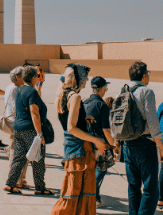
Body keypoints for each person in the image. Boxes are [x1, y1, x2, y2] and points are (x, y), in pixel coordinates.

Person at [50, 63, 108, 215]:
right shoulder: (75, 96)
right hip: (81, 151)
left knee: (74, 190)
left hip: (71, 149)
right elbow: (71, 128)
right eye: (85, 77)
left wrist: (84, 117)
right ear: (78, 79)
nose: (87, 80)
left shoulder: (61, 95)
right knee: (77, 192)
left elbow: (66, 121)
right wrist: (97, 141)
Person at [119, 61, 163, 215]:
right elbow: (152, 122)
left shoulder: (123, 91)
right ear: (144, 76)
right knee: (151, 188)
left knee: (133, 186)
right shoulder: (147, 92)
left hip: (127, 144)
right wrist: (160, 145)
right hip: (145, 144)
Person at [4, 65, 52, 195]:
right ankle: (40, 188)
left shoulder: (19, 90)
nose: (38, 78)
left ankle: (10, 184)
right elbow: (34, 112)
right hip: (30, 129)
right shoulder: (32, 92)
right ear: (32, 78)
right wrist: (39, 133)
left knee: (19, 158)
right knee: (38, 158)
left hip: (18, 128)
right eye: (37, 75)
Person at [83, 76, 117, 206]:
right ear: (102, 88)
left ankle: (90, 195)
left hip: (85, 140)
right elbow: (106, 130)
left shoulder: (85, 102)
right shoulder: (102, 105)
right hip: (98, 143)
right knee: (102, 168)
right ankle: (94, 195)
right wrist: (113, 145)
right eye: (105, 87)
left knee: (89, 168)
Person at [3, 67, 28, 189]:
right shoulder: (15, 89)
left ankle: (20, 178)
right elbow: (18, 107)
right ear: (17, 77)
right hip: (17, 123)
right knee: (16, 153)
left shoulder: (10, 87)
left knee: (19, 151)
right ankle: (15, 180)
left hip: (12, 121)